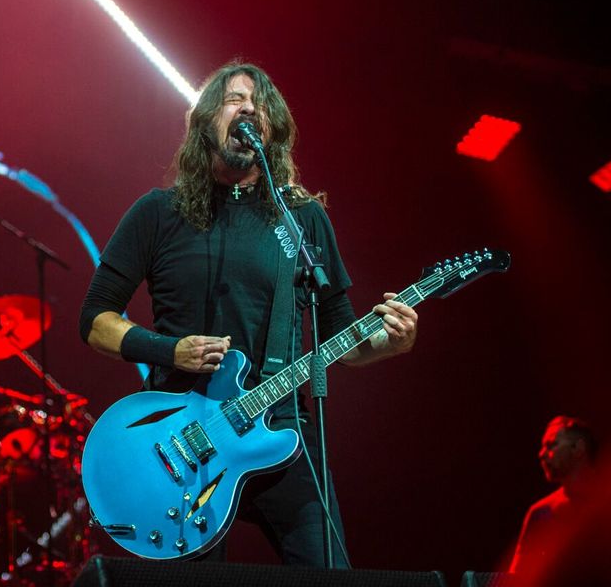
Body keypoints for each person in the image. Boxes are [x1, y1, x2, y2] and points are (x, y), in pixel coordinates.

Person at [78, 60, 419, 567]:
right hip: (181, 436)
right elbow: (95, 319)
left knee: (330, 572)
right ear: (207, 119)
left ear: (273, 132)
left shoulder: (301, 220)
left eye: (260, 106)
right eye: (236, 100)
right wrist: (169, 349)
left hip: (280, 429)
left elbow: (339, 337)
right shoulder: (157, 212)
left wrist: (390, 343)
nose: (249, 110)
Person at [509, 415, 599, 575]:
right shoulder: (540, 513)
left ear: (578, 448)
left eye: (551, 445)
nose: (541, 454)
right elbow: (518, 577)